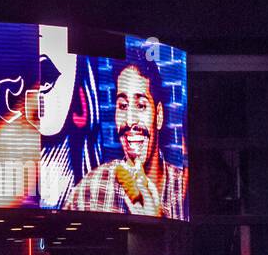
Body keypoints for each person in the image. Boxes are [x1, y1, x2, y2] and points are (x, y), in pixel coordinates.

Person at [65, 61, 187, 219]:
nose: (129, 121)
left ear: (159, 116)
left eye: (141, 105)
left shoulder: (182, 189)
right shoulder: (90, 190)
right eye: (123, 106)